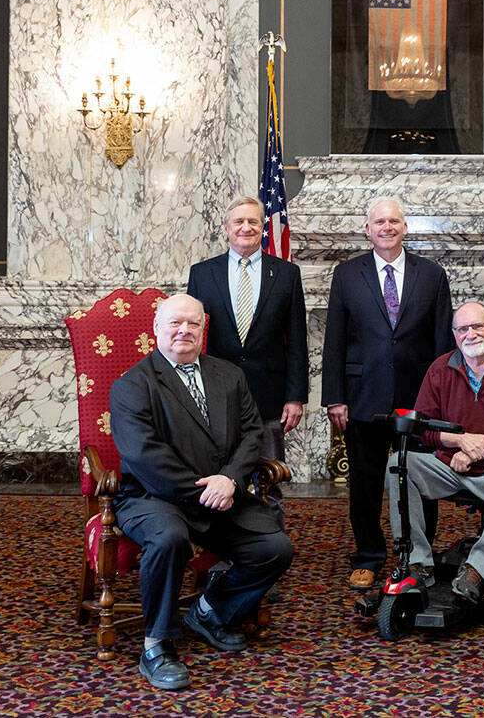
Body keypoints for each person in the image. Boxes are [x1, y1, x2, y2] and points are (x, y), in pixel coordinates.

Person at [110, 294, 294, 691]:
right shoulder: (132, 385)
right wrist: (206, 491)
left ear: (203, 328)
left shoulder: (229, 375)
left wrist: (229, 479)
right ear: (156, 329)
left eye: (193, 323)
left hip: (222, 490)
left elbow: (252, 434)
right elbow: (145, 456)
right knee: (169, 539)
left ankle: (209, 611)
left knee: (274, 549)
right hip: (152, 496)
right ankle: (156, 645)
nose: (184, 330)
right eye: (175, 323)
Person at [322, 196, 455, 590]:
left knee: (420, 480)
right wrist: (335, 397)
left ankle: (419, 557)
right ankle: (368, 556)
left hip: (419, 400)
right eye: (379, 222)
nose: (387, 227)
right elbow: (334, 341)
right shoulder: (347, 274)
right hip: (363, 398)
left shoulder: (432, 275)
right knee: (365, 484)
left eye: (394, 221)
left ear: (405, 228)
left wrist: (442, 400)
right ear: (368, 230)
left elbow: (443, 343)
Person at [386, 301, 484, 600]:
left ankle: (477, 571)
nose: (470, 334)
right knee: (399, 463)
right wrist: (460, 442)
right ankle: (417, 563)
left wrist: (477, 450)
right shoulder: (440, 369)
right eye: (462, 329)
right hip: (450, 465)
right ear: (455, 335)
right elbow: (423, 428)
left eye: (477, 326)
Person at [187, 195, 308, 527]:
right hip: (215, 396)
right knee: (217, 478)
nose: (246, 227)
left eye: (253, 221)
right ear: (227, 228)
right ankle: (219, 544)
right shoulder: (202, 273)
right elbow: (193, 336)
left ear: (263, 228)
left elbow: (297, 339)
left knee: (270, 479)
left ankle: (271, 543)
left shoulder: (286, 274)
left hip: (268, 396)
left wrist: (295, 396)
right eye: (238, 221)